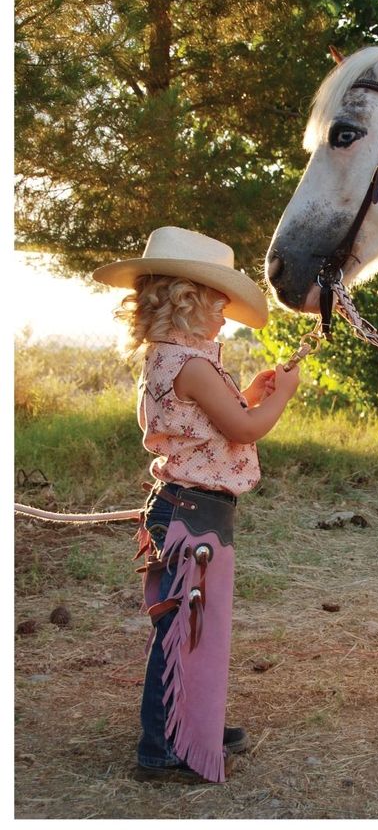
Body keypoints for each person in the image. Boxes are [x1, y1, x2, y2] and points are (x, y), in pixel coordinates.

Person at [93, 226, 300, 783]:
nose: (224, 318)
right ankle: (163, 747)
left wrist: (251, 392)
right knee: (186, 631)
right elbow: (244, 428)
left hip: (183, 506)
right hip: (194, 516)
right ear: (186, 304)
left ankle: (193, 725)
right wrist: (277, 399)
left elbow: (211, 425)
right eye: (217, 306)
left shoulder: (169, 361)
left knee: (192, 629)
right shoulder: (194, 366)